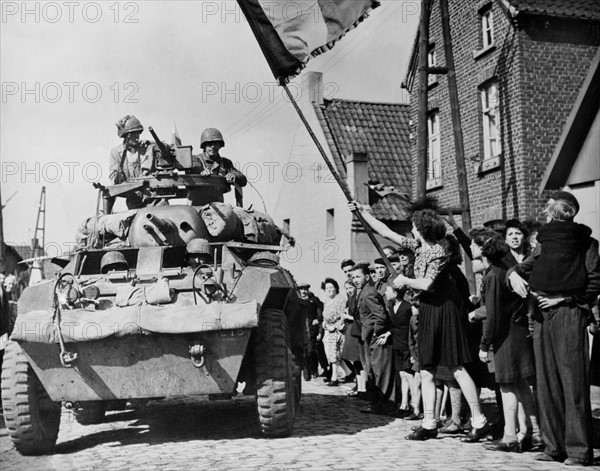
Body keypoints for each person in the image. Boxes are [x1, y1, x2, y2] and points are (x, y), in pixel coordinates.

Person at [349, 202, 489, 441]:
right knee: (426, 369)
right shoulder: (417, 246)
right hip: (427, 309)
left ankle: (479, 419)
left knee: (456, 368)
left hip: (445, 311)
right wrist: (362, 212)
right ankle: (429, 422)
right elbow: (385, 232)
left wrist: (404, 280)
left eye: (413, 226)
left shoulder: (439, 250)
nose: (410, 229)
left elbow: (426, 284)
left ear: (422, 228)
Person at [508, 191, 600, 466]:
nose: (547, 216)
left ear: (566, 211)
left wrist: (565, 298)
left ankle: (578, 451)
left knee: (573, 382)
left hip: (569, 313)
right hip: (541, 316)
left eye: (550, 211)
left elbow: (595, 281)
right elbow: (527, 265)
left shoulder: (587, 244)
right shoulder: (544, 244)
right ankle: (553, 446)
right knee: (546, 382)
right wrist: (513, 273)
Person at [472, 232, 539, 453]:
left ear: (484, 251)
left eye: (474, 245)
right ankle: (531, 432)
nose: (471, 248)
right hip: (517, 331)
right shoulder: (504, 271)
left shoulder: (492, 275)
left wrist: (484, 345)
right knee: (521, 384)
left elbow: (492, 314)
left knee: (507, 386)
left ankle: (510, 436)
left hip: (505, 337)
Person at [188, 128, 247, 206]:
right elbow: (194, 169)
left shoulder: (225, 163)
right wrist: (201, 172)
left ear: (220, 145)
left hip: (218, 207)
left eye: (216, 143)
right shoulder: (195, 159)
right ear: (204, 146)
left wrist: (234, 176)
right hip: (196, 206)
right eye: (209, 144)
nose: (213, 146)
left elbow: (243, 180)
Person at [109, 115, 156, 210]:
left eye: (138, 134)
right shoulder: (116, 152)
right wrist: (118, 176)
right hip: (134, 198)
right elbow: (113, 178)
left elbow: (165, 147)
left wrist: (152, 143)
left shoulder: (147, 147)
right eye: (133, 134)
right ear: (126, 136)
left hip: (154, 196)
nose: (137, 137)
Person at [383, 285, 414, 416]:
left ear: (395, 293)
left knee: (409, 374)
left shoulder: (407, 307)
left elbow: (409, 326)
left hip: (407, 344)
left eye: (388, 291)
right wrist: (388, 333)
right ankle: (404, 404)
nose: (385, 293)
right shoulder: (391, 307)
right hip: (397, 344)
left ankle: (415, 405)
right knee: (402, 375)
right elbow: (395, 326)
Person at [321, 278, 346, 386]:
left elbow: (343, 317)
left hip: (337, 331)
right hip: (328, 330)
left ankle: (334, 378)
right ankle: (349, 372)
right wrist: (325, 325)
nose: (329, 290)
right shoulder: (326, 301)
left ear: (336, 288)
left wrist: (335, 327)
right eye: (327, 288)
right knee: (330, 354)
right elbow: (324, 318)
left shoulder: (340, 300)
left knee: (334, 354)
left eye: (331, 287)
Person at [298, 282, 323, 380]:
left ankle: (314, 370)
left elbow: (320, 312)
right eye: (301, 289)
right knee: (303, 352)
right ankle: (306, 374)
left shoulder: (314, 300)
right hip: (300, 329)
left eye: (305, 289)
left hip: (311, 329)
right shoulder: (296, 300)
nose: (303, 291)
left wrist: (318, 320)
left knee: (310, 351)